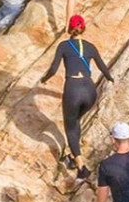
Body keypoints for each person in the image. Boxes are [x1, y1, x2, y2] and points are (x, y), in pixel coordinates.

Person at [39, 14, 113, 180]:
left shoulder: (64, 46)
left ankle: (81, 167)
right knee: (76, 121)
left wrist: (43, 80)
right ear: (83, 28)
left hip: (73, 88)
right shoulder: (90, 47)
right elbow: (102, 67)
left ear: (70, 28)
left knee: (70, 126)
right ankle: (73, 156)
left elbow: (53, 69)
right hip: (90, 90)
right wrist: (111, 79)